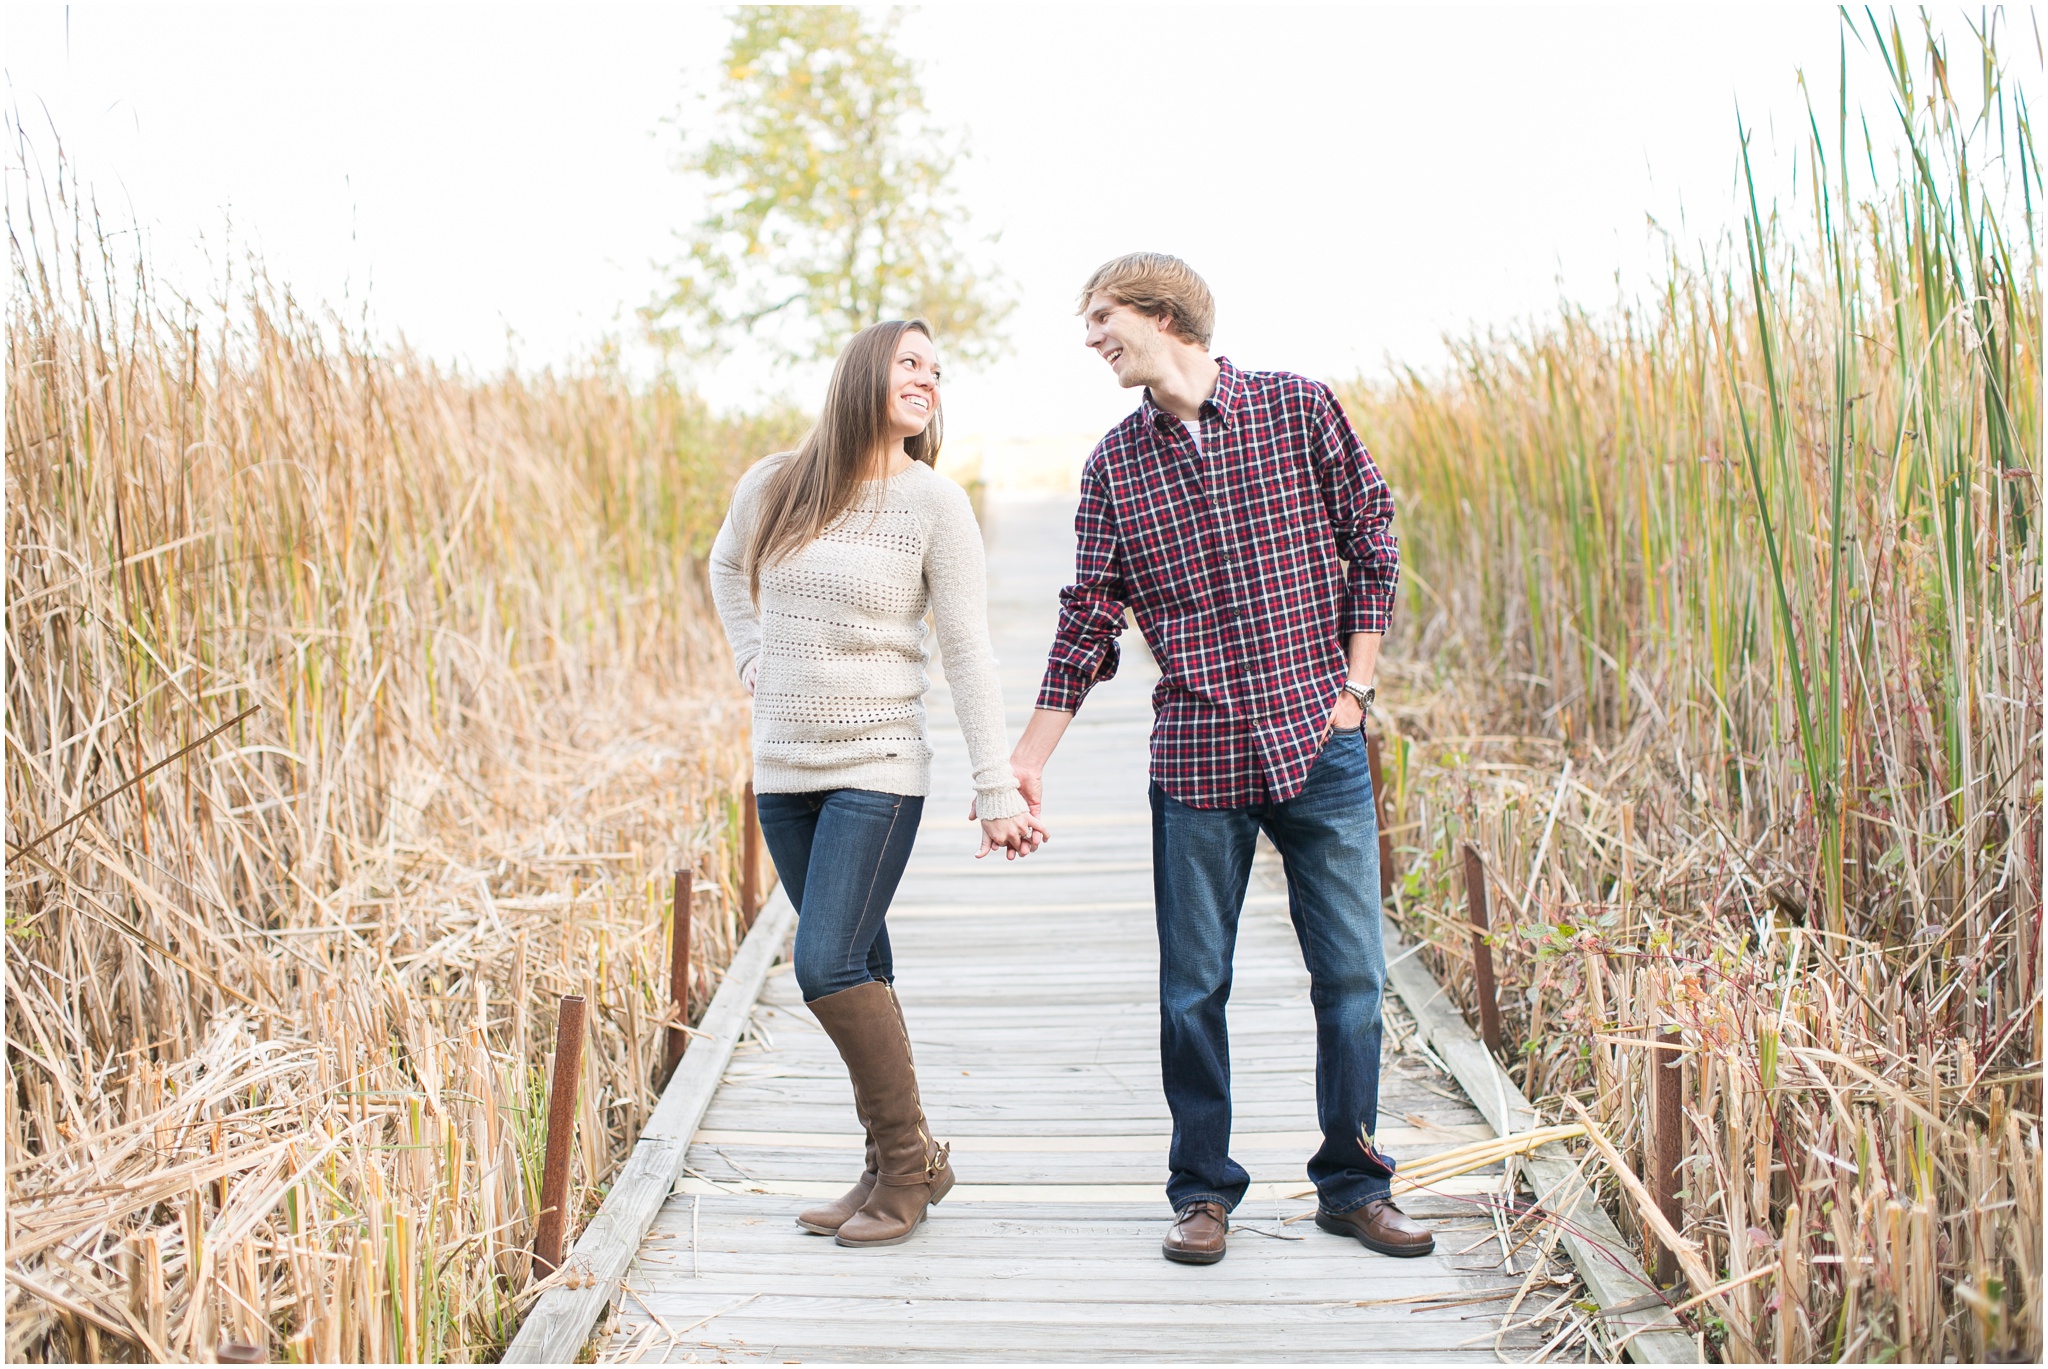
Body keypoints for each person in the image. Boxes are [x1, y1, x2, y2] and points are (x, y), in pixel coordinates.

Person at [1007, 253, 1435, 1265]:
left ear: (1164, 317)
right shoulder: (1115, 465)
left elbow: (1372, 535)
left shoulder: (1297, 410)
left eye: (1103, 317)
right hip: (1196, 758)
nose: (1091, 337)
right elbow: (1087, 621)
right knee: (1192, 987)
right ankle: (1202, 1190)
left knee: (1354, 980)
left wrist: (1354, 689)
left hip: (1315, 744)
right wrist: (1028, 758)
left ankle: (1352, 1182)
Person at [710, 318, 1047, 1249]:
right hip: (782, 769)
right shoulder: (777, 483)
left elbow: (967, 646)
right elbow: (725, 568)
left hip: (878, 767)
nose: (929, 380)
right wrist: (750, 654)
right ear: (864, 371)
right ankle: (885, 1163)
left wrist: (996, 784)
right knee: (866, 962)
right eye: (911, 363)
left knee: (825, 963)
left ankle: (910, 1165)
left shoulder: (935, 504)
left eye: (938, 372)